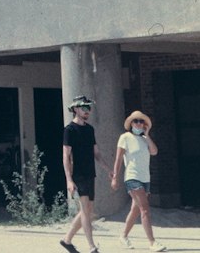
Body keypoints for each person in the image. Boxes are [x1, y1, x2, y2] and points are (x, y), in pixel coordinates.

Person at [60, 96, 112, 253]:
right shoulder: (69, 130)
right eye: (84, 108)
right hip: (78, 174)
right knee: (85, 210)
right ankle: (92, 246)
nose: (87, 111)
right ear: (75, 109)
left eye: (89, 108)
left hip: (90, 173)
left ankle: (67, 240)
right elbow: (66, 156)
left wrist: (108, 169)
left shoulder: (90, 130)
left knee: (88, 209)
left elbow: (96, 153)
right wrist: (69, 180)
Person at [110, 111, 166, 251]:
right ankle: (152, 242)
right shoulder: (125, 137)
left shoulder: (144, 139)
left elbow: (154, 151)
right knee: (145, 209)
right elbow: (118, 159)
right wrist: (115, 177)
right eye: (136, 121)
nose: (139, 123)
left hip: (145, 178)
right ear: (131, 123)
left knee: (135, 210)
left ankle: (123, 236)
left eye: (141, 121)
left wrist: (147, 135)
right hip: (132, 177)